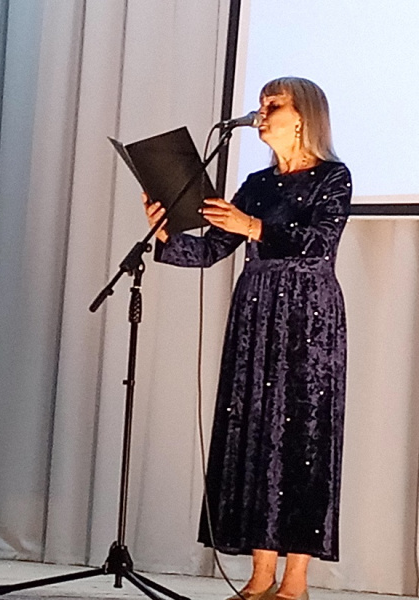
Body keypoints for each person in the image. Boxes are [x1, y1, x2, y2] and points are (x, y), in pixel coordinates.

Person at [144, 77, 350, 600]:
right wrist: (166, 234)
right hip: (256, 314)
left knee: (303, 439)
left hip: (309, 318)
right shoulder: (255, 183)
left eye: (272, 104)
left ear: (302, 116)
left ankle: (295, 580)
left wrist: (253, 227)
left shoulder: (333, 177)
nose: (261, 111)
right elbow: (209, 250)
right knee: (255, 435)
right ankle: (260, 575)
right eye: (260, 103)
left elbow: (319, 244)